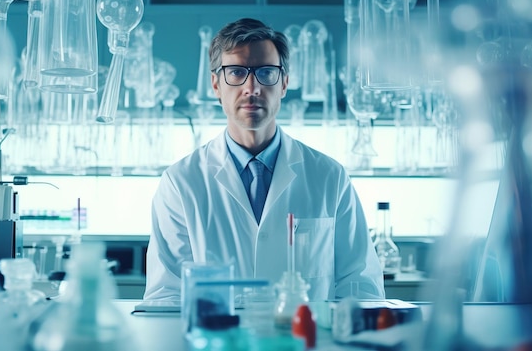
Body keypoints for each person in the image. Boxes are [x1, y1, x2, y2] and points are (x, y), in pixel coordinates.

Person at [144, 17, 384, 301]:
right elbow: (166, 295)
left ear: (283, 83)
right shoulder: (181, 182)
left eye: (266, 73)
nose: (252, 88)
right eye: (235, 72)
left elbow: (359, 286)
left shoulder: (329, 176)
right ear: (216, 85)